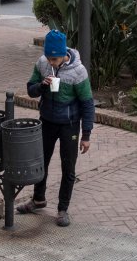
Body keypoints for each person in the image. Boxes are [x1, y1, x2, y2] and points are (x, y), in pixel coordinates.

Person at [16, 29, 94, 227]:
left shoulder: (78, 71)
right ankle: (38, 199)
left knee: (68, 167)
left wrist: (86, 134)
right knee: (40, 162)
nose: (51, 63)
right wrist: (42, 85)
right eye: (49, 58)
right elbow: (30, 90)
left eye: (55, 59)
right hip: (47, 120)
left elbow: (87, 103)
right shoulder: (42, 63)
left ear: (64, 55)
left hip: (69, 124)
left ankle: (62, 209)